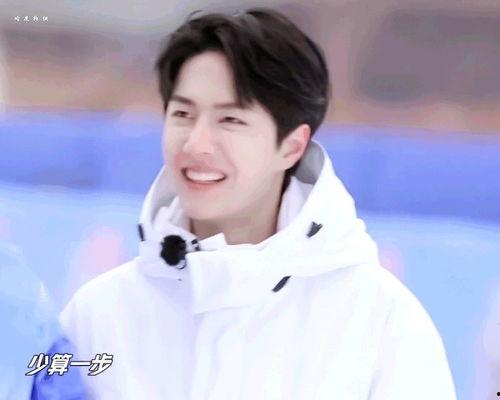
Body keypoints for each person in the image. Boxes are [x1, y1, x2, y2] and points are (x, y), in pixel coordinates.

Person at [58, 7, 457, 399]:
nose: (196, 144)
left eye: (230, 120)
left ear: (292, 146)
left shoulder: (379, 321)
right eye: (183, 114)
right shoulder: (99, 312)